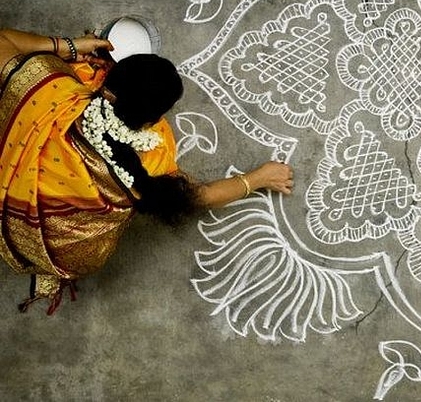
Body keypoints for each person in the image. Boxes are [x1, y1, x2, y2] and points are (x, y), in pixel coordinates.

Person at [0, 27, 294, 314]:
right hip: (61, 247)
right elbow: (200, 197)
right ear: (153, 119)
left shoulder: (54, 91)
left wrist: (73, 46)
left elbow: (4, 39)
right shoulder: (152, 164)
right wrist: (258, 178)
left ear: (106, 84)